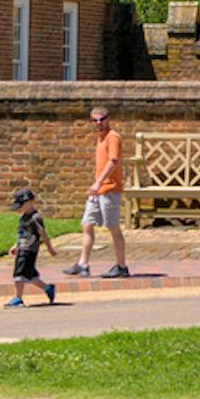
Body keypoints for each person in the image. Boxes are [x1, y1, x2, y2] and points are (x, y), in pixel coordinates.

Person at [72, 106, 132, 278]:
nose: (99, 123)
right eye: (95, 120)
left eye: (102, 119)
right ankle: (83, 264)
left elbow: (113, 161)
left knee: (113, 227)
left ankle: (121, 266)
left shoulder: (113, 137)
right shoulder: (100, 138)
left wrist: (98, 183)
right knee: (87, 224)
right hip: (98, 190)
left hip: (110, 189)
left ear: (108, 119)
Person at [4, 186, 53, 307]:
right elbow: (21, 234)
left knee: (18, 274)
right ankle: (47, 288)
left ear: (30, 202)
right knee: (30, 275)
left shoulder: (35, 218)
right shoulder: (22, 217)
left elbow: (43, 234)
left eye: (22, 204)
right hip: (22, 248)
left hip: (29, 250)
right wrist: (16, 245)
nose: (20, 208)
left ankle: (18, 298)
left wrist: (50, 248)